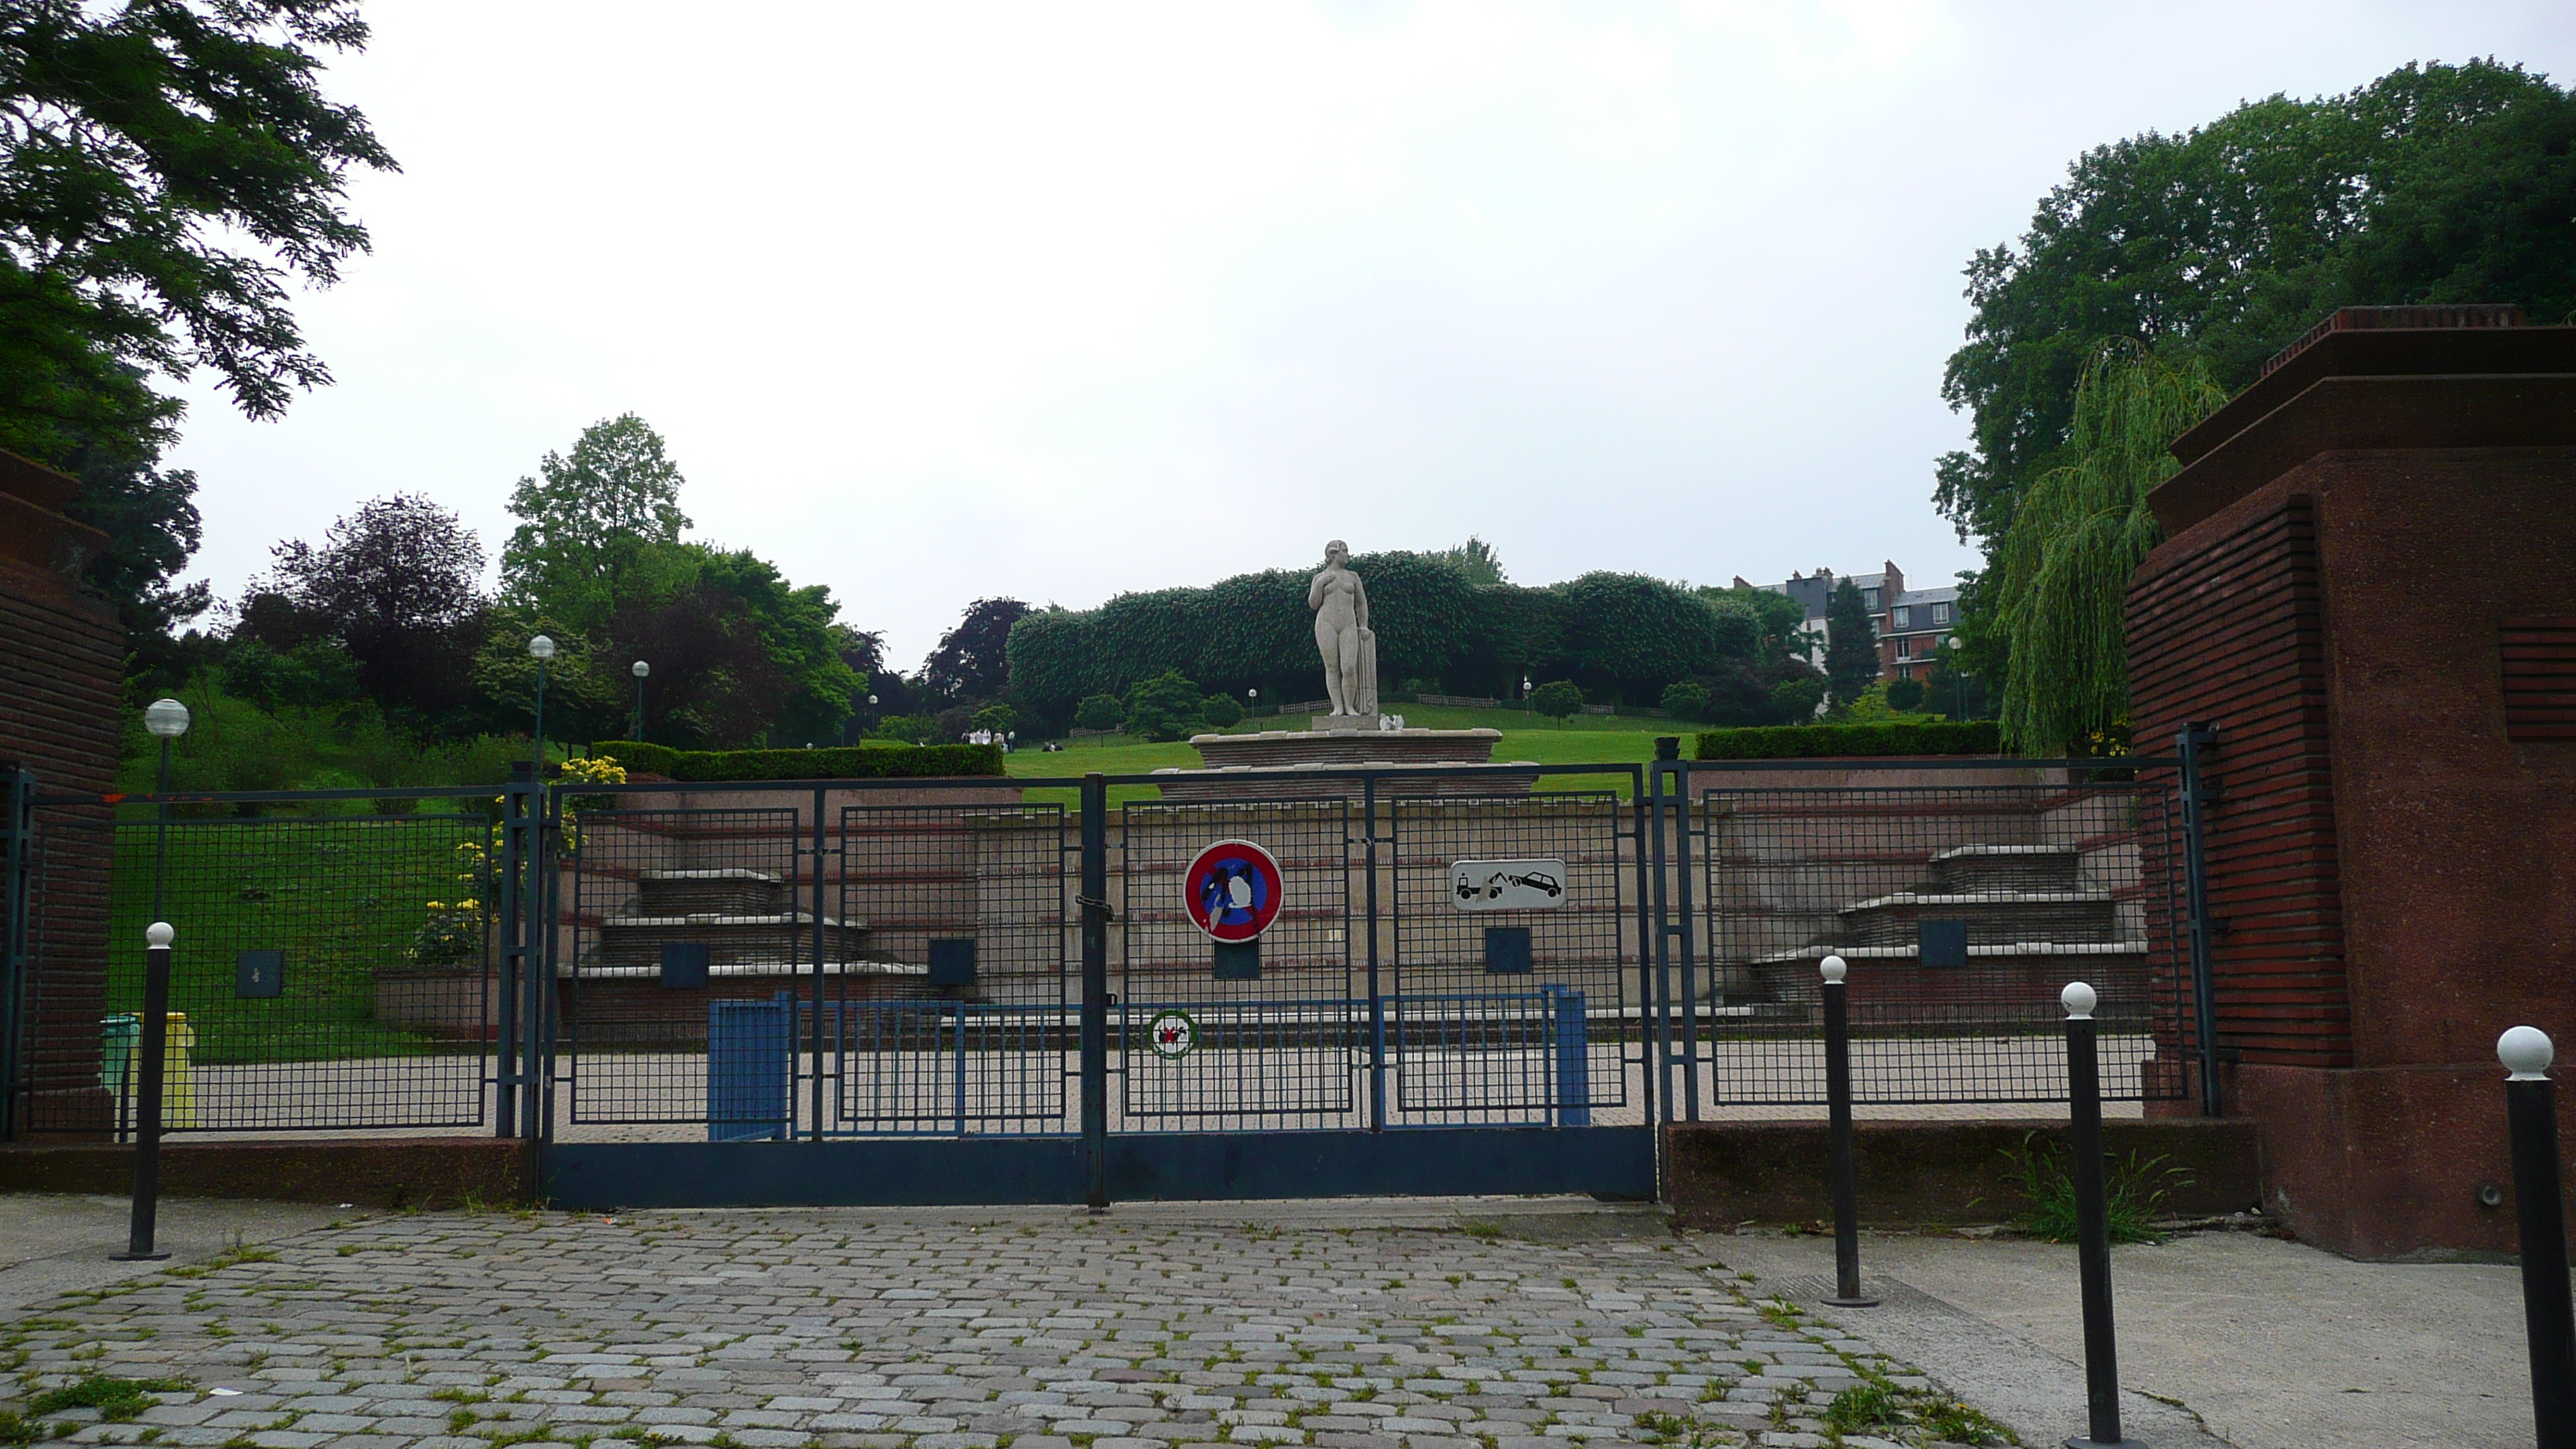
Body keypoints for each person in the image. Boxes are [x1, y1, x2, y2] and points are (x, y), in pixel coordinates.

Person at [1307, 540, 1378, 717]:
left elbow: (1362, 604)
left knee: (1348, 668)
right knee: (1332, 667)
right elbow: (1313, 604)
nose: (1348, 555)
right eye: (1344, 551)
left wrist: (1363, 626)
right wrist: (1319, 584)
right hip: (1326, 623)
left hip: (1348, 623)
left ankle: (1349, 707)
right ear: (1332, 554)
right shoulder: (1319, 578)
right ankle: (1337, 707)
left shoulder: (1352, 577)